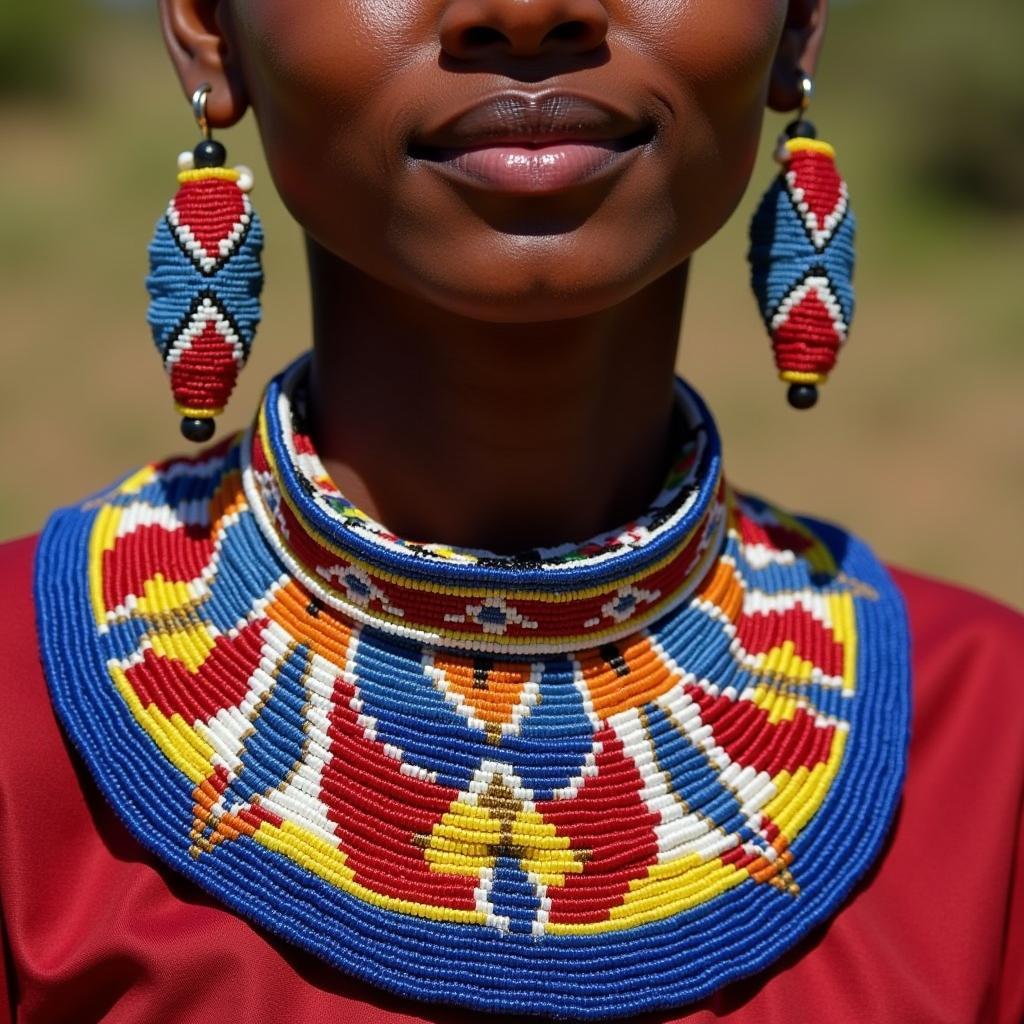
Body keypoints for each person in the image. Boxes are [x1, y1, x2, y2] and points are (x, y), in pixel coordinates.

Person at [1, 0, 1021, 1021]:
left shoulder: (989, 748)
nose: (528, 11)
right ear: (211, 27)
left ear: (796, 22)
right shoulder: (18, 736)